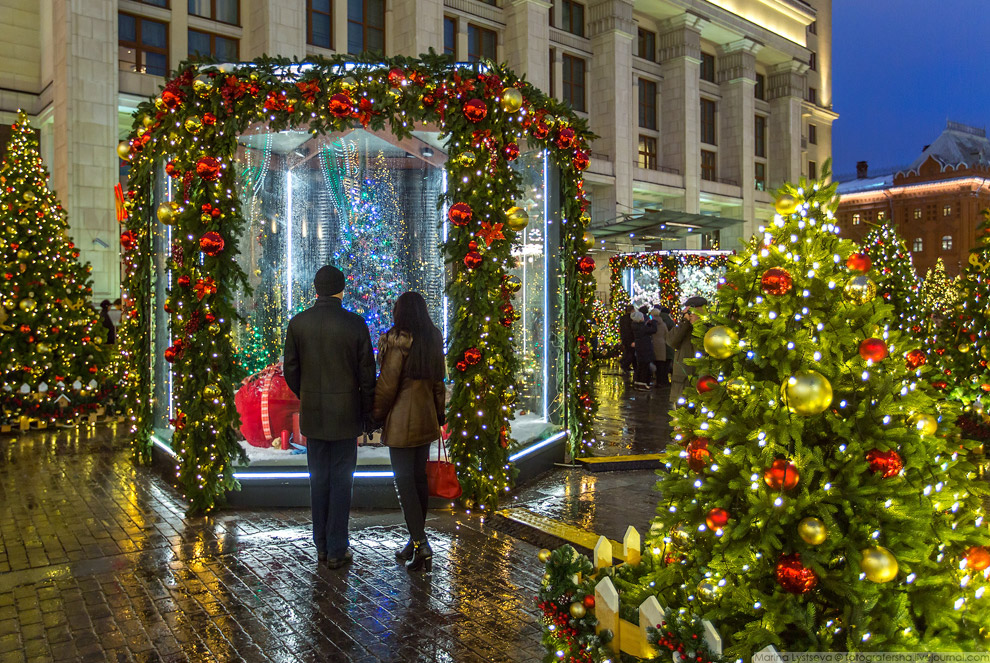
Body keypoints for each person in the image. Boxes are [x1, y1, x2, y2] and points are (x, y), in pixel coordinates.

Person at [283, 265, 376, 569]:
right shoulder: (355, 324)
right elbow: (367, 377)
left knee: (318, 480)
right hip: (346, 417)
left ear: (315, 289)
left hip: (314, 416)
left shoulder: (298, 324)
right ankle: (338, 546)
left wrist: (308, 395)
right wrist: (367, 414)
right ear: (341, 289)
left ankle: (321, 545)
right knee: (341, 481)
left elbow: (291, 372)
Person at [372, 292, 446, 573]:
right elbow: (439, 383)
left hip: (403, 422)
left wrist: (375, 415)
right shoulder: (432, 337)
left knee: (405, 483)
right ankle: (414, 541)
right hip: (426, 419)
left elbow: (388, 385)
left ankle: (421, 543)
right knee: (418, 480)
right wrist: (439, 415)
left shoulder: (398, 339)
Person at [668, 296, 707, 406]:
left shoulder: (707, 327)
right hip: (682, 384)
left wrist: (698, 324)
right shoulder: (683, 327)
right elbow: (671, 341)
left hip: (700, 382)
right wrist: (684, 322)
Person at [630, 310, 657, 390]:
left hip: (640, 347)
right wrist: (653, 323)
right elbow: (653, 330)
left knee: (641, 365)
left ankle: (638, 383)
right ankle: (643, 383)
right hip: (644, 347)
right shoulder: (641, 327)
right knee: (644, 366)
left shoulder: (636, 326)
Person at [649, 307, 670, 388]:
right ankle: (660, 382)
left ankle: (654, 380)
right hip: (661, 345)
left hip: (652, 344)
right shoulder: (663, 324)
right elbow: (666, 334)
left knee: (653, 363)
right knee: (661, 365)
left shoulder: (650, 323)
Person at [619, 304, 635, 373]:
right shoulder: (631, 319)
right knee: (631, 353)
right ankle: (625, 364)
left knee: (627, 352)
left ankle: (625, 364)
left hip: (624, 337)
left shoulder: (622, 318)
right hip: (630, 338)